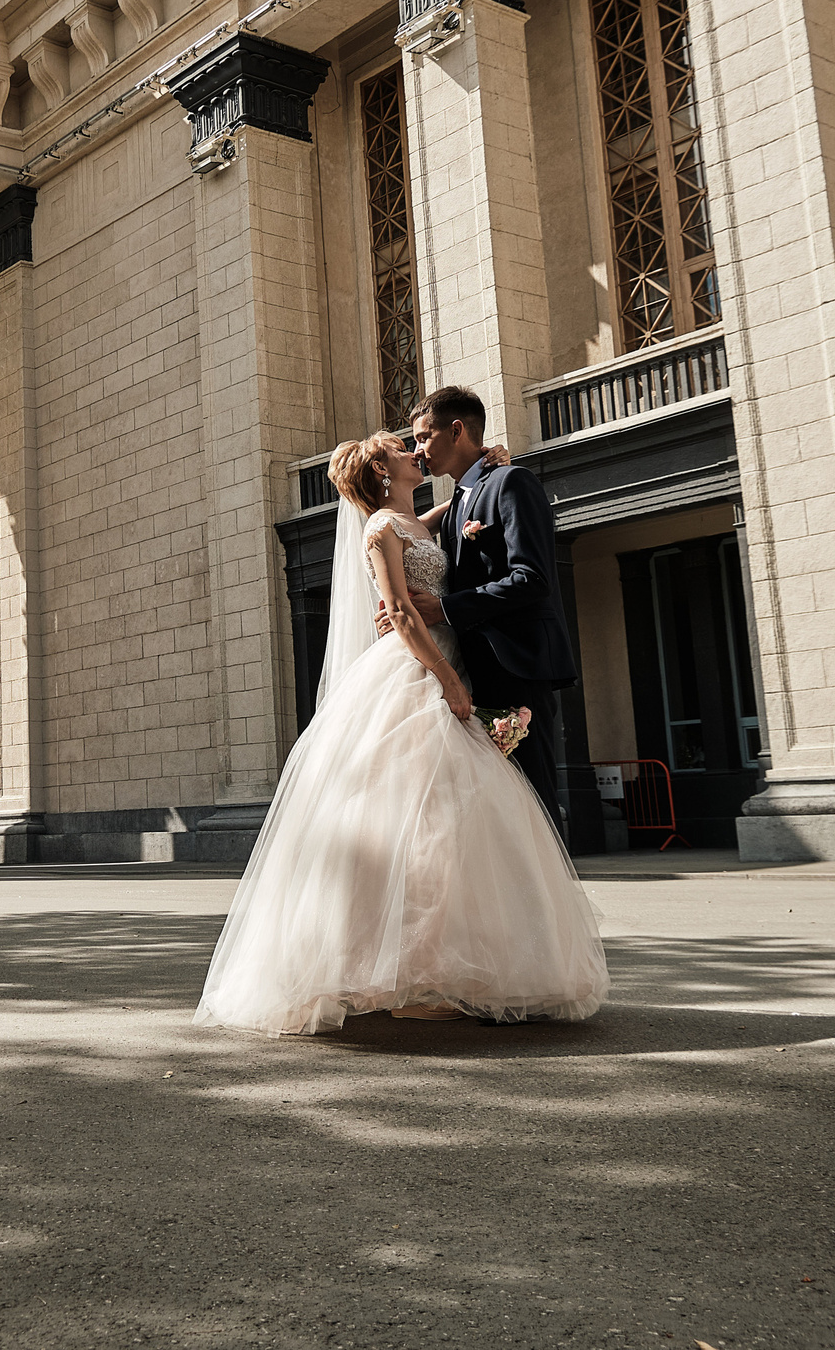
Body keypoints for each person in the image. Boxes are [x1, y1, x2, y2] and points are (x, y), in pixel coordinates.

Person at [194, 431, 607, 1035]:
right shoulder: (380, 530)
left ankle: (436, 967)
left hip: (448, 657)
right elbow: (402, 613)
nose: (413, 451)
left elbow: (461, 509)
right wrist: (448, 681)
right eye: (398, 447)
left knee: (449, 822)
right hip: (415, 670)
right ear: (381, 471)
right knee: (413, 815)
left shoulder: (418, 523)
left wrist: (495, 468)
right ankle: (400, 972)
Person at [405, 385, 580, 834]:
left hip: (516, 667)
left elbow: (532, 577)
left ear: (457, 430)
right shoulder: (462, 497)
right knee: (498, 815)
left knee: (532, 804)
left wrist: (445, 609)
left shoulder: (511, 482)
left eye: (424, 437)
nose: (419, 451)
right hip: (475, 676)